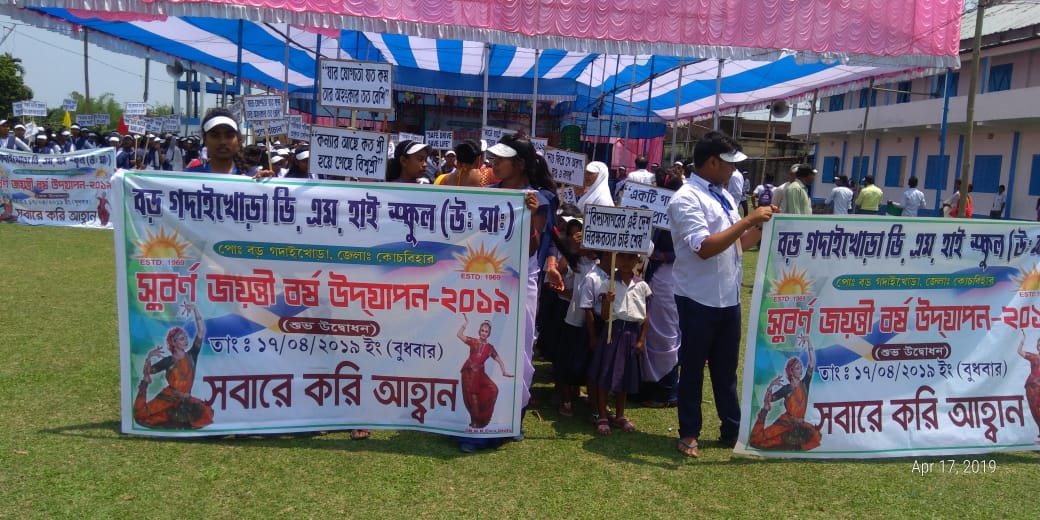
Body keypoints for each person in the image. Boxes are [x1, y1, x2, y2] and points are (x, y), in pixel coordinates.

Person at [666, 131, 774, 458]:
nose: (734, 170)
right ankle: (689, 432)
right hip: (697, 297)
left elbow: (736, 245)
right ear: (712, 162)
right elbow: (704, 247)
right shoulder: (686, 198)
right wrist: (750, 219)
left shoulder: (724, 195)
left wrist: (761, 227)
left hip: (728, 297)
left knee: (726, 370)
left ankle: (732, 428)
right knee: (693, 368)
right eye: (730, 164)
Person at [588, 252, 651, 435]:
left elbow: (646, 315)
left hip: (632, 333)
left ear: (637, 260)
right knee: (605, 373)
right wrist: (608, 301)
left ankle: (620, 415)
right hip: (613, 332)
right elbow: (604, 315)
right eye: (621, 257)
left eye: (631, 258)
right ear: (615, 258)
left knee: (624, 375)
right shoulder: (609, 283)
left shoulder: (642, 285)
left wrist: (641, 339)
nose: (626, 262)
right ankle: (602, 415)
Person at [133, 301, 214, 429]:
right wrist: (149, 356)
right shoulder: (168, 361)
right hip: (168, 398)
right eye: (181, 338)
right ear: (173, 342)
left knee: (205, 415)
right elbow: (148, 372)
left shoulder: (192, 355)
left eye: (185, 337)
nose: (186, 340)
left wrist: (195, 309)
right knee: (141, 416)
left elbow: (201, 332)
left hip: (185, 400)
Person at [640, 173, 684, 409]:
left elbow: (689, 248)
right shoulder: (658, 212)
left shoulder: (683, 214)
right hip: (656, 276)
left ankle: (667, 391)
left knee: (666, 333)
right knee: (654, 332)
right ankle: (651, 386)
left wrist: (661, 255)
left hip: (669, 278)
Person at [749, 335, 821, 450]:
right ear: (791, 371)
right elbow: (769, 399)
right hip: (785, 423)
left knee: (813, 438)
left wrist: (809, 341)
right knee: (758, 441)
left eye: (801, 367)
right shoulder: (786, 389)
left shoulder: (805, 384)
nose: (801, 370)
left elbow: (812, 362)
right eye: (797, 368)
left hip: (799, 424)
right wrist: (771, 386)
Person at [457, 314, 514, 429]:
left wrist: (504, 371)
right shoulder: (473, 342)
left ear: (489, 334)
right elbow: (459, 335)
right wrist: (465, 324)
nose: (484, 333)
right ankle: (475, 421)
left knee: (494, 389)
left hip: (480, 374)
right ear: (479, 331)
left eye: (486, 331)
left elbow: (499, 360)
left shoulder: (490, 348)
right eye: (482, 330)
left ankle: (481, 418)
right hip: (469, 373)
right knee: (473, 398)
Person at [1016, 330, 1040, 441]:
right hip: (1033, 387)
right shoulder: (1034, 357)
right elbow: (1019, 351)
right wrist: (1022, 340)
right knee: (1035, 410)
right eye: (1039, 344)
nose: (1039, 346)